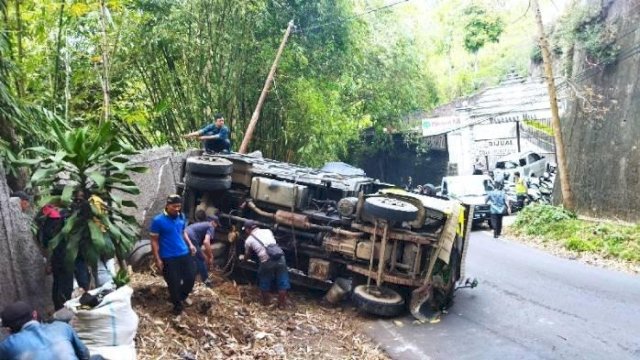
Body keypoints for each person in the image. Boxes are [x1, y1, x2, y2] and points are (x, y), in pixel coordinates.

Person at [0, 301, 100, 360]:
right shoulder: (61, 327)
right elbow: (84, 355)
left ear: (9, 330)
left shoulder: (7, 345)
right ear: (34, 315)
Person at [150, 194, 197, 315]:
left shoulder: (181, 216)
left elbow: (183, 231)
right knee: (173, 282)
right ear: (167, 205)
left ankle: (181, 296)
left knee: (191, 277)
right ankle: (177, 307)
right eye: (174, 206)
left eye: (179, 206)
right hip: (168, 256)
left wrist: (190, 244)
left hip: (183, 252)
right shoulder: (158, 221)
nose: (177, 209)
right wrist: (157, 259)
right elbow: (154, 241)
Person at [241, 220, 291, 309]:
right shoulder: (268, 231)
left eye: (245, 230)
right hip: (280, 257)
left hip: (266, 260)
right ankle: (282, 305)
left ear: (248, 230)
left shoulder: (249, 240)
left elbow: (247, 255)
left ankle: (266, 303)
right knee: (282, 280)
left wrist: (243, 260)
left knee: (264, 280)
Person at [36, 202, 73, 311]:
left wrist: (48, 263)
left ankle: (59, 308)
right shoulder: (59, 222)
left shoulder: (44, 226)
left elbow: (45, 246)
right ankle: (65, 306)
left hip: (55, 260)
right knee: (66, 285)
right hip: (64, 258)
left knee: (57, 283)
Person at [183, 209, 219, 288]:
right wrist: (211, 256)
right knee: (201, 259)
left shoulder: (201, 224)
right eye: (216, 224)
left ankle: (185, 276)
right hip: (191, 238)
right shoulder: (211, 226)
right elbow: (206, 242)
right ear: (213, 222)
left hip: (184, 235)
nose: (216, 226)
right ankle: (206, 280)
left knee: (191, 257)